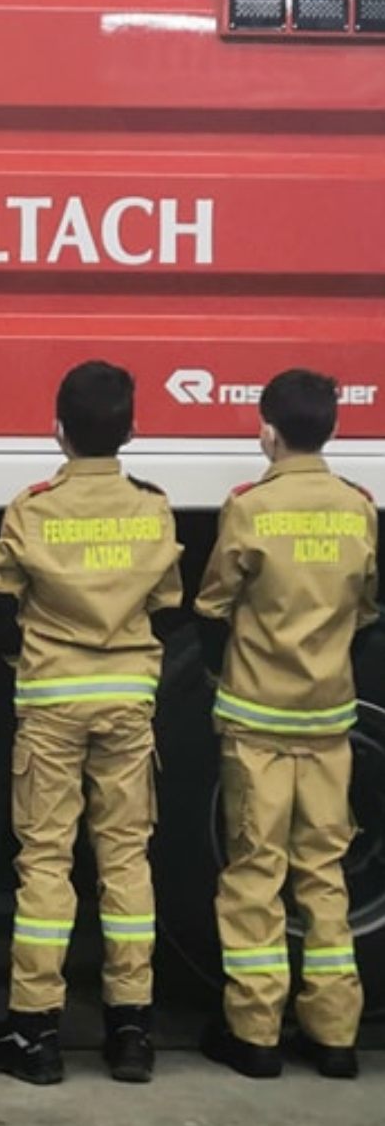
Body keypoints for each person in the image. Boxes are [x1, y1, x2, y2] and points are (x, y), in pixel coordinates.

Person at [0, 361, 184, 1086]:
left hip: (52, 701)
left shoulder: (32, 510)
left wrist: (27, 660)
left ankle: (34, 1032)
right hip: (127, 704)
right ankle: (131, 1029)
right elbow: (167, 603)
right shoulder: (152, 510)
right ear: (131, 430)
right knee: (124, 859)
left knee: (45, 862)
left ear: (56, 429)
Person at [195, 369, 376, 1080]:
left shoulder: (249, 509)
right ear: (332, 427)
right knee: (323, 872)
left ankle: (255, 1033)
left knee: (253, 873)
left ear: (265, 430)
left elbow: (213, 604)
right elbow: (362, 609)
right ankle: (334, 1037)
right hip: (328, 722)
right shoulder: (357, 509)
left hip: (255, 725)